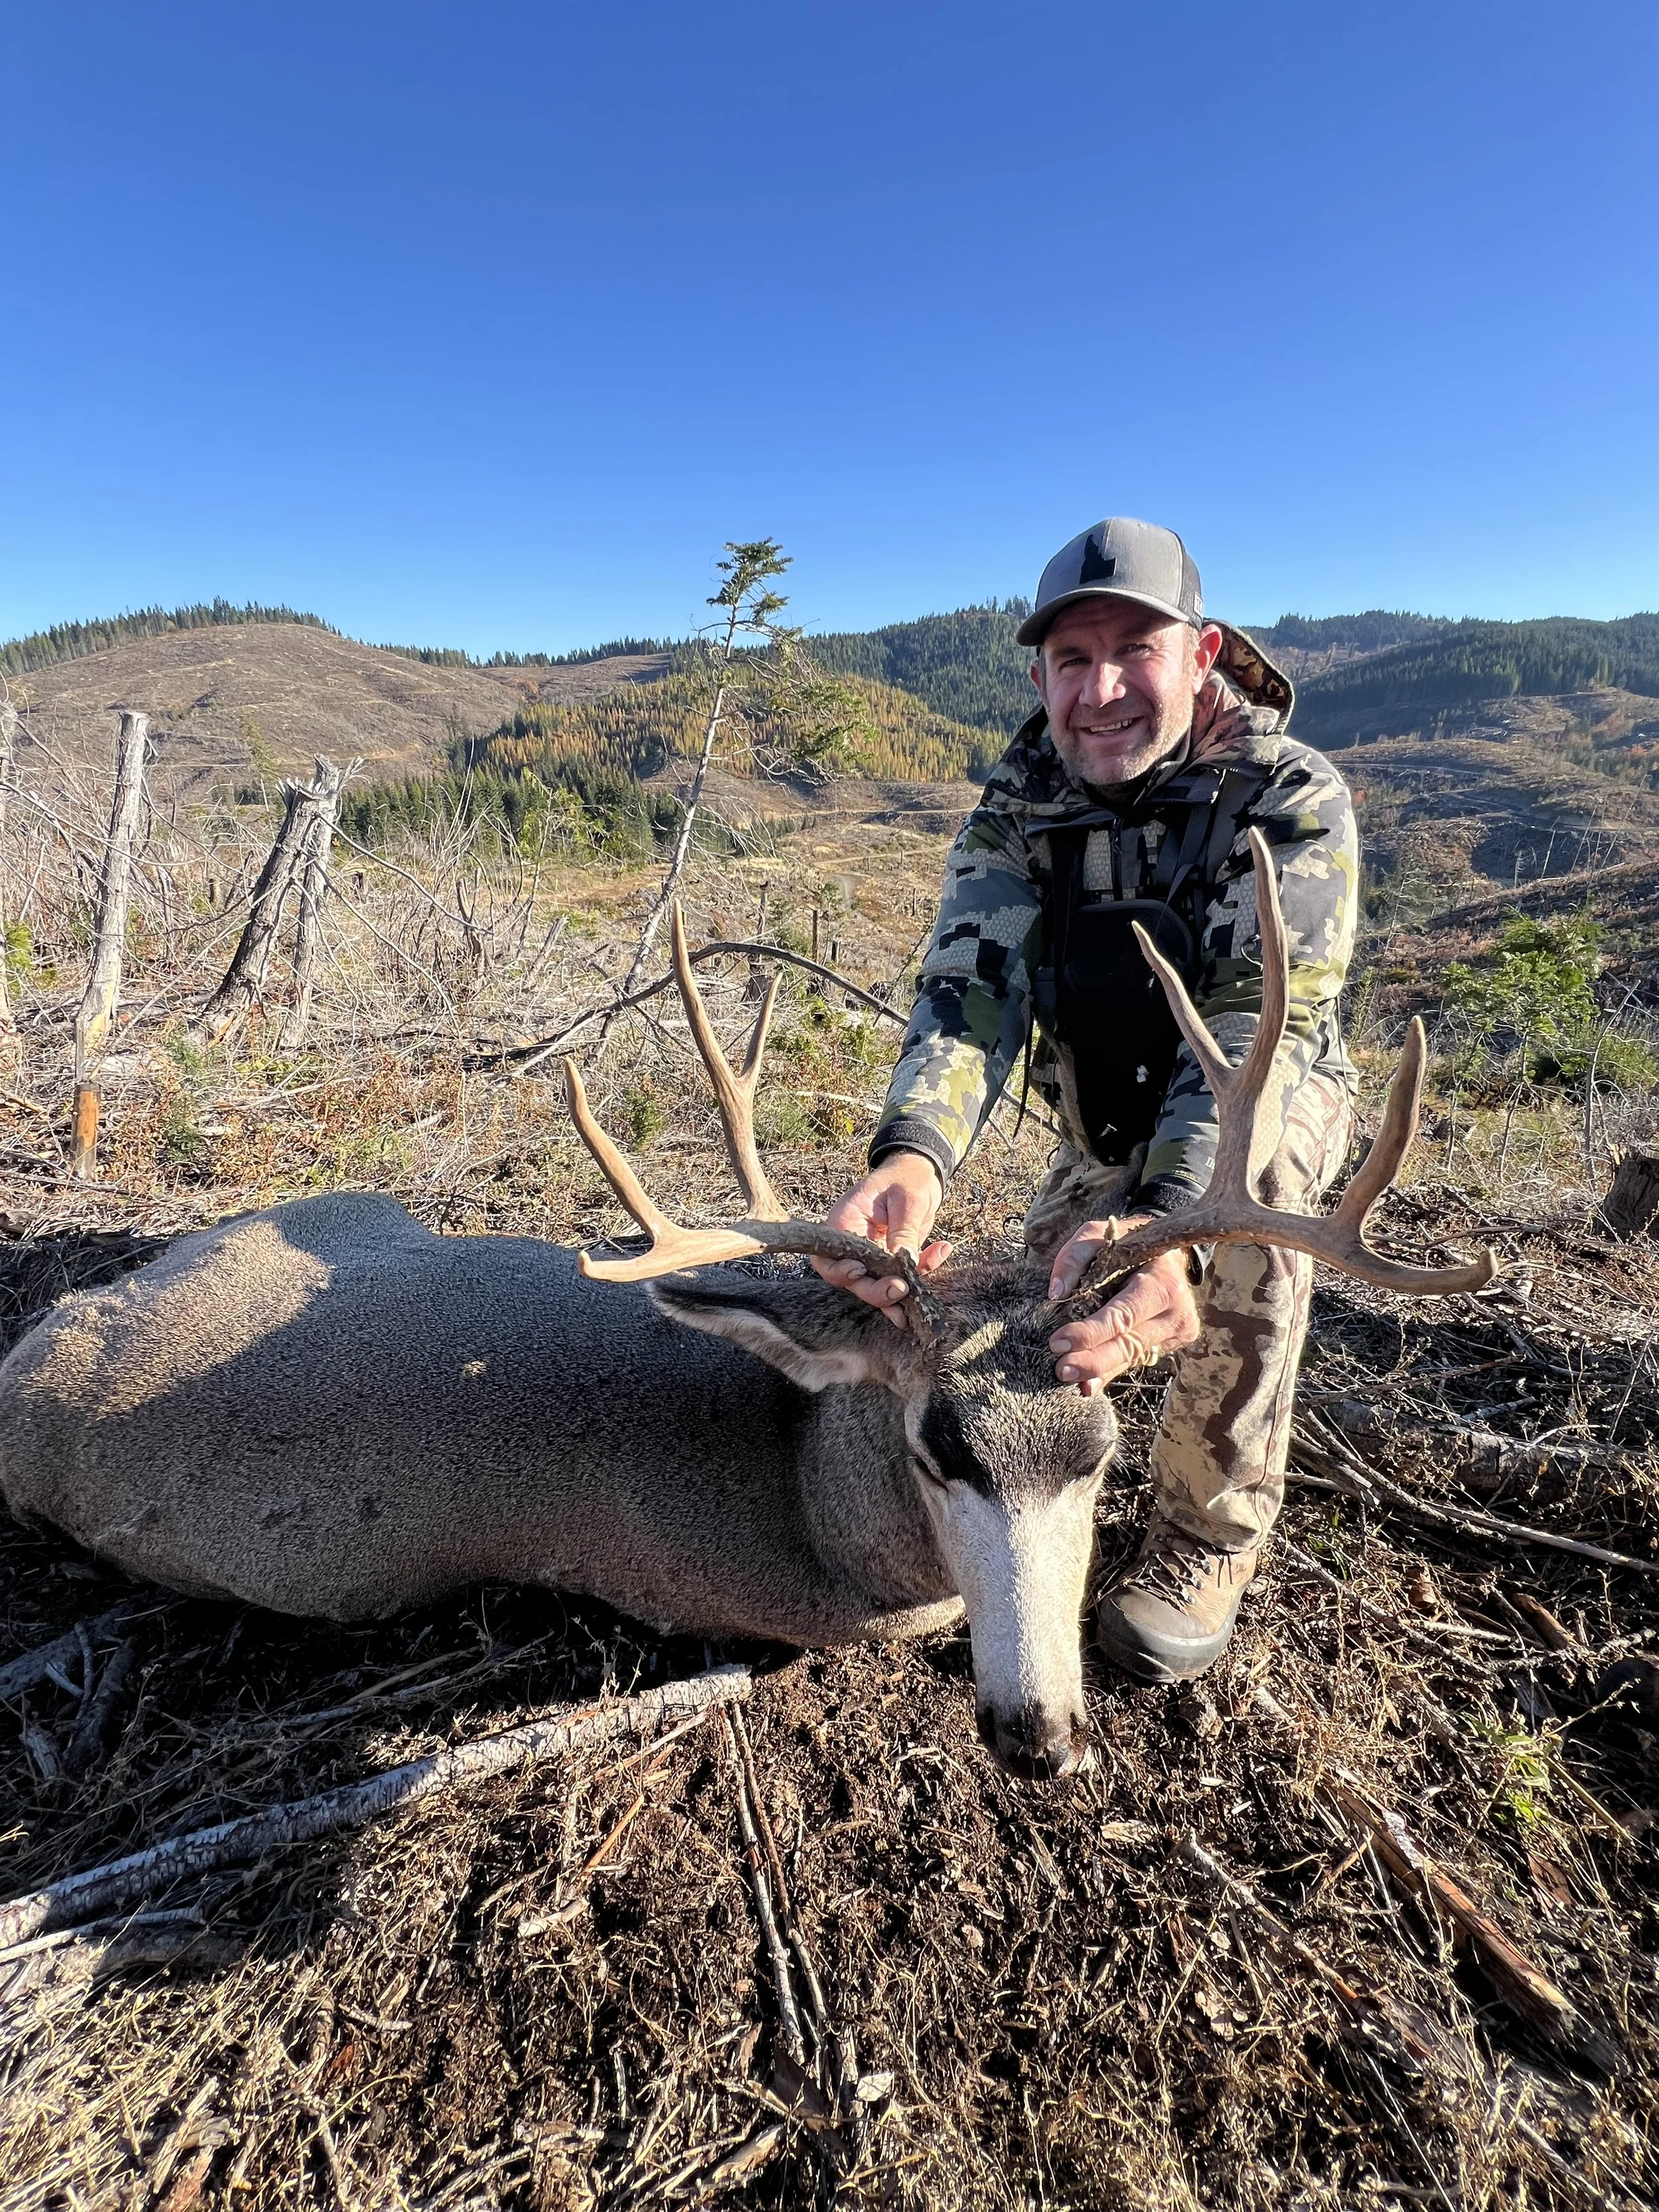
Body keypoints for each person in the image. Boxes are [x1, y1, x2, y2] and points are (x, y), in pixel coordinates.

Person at [814, 518, 1358, 1682]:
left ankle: (1205, 1533)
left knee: (1233, 1236)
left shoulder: (1291, 797)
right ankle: (1037, 1495)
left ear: (1203, 653)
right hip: (1099, 1107)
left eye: (1136, 650)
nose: (1101, 689)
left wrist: (1170, 1229)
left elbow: (1260, 1030)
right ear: (1038, 674)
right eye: (1073, 659)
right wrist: (911, 1157)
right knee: (1052, 1309)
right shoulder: (1020, 809)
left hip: (1260, 1098)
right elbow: (970, 998)